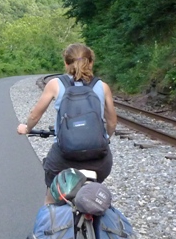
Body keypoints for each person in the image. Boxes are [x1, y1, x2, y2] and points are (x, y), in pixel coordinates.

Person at [17, 43, 117, 204]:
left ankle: (47, 226)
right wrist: (105, 138)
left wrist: (27, 128)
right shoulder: (102, 86)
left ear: (66, 63)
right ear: (91, 62)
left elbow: (35, 115)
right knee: (95, 194)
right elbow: (112, 122)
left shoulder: (55, 84)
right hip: (99, 159)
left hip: (64, 157)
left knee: (51, 195)